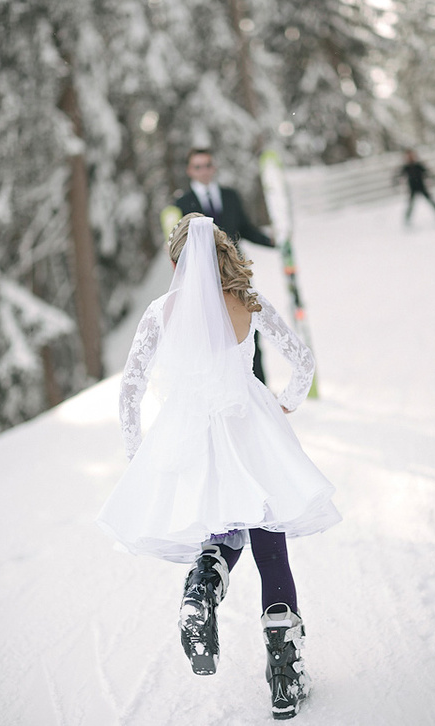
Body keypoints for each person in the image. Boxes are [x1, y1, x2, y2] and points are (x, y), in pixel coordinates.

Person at [96, 215, 340, 720]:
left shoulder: (161, 312)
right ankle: (286, 678)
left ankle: (202, 586)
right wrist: (287, 402)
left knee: (224, 534)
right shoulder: (247, 302)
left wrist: (138, 453)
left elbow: (129, 393)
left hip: (192, 442)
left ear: (175, 263)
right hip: (251, 429)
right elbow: (303, 359)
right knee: (270, 549)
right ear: (221, 255)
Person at [175, 148, 274, 383]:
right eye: (198, 166)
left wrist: (273, 241)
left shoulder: (230, 196)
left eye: (207, 165)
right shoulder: (181, 203)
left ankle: (259, 385)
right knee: (214, 334)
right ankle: (227, 385)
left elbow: (246, 229)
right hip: (205, 278)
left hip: (236, 273)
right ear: (190, 170)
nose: (204, 171)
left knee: (249, 327)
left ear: (214, 167)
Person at [396, 148, 435, 227]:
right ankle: (407, 220)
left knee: (430, 200)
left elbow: (427, 172)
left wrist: (434, 179)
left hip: (421, 187)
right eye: (408, 156)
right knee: (411, 204)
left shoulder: (418, 165)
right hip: (412, 188)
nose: (410, 157)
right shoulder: (406, 167)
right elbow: (400, 176)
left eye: (411, 155)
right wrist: (396, 183)